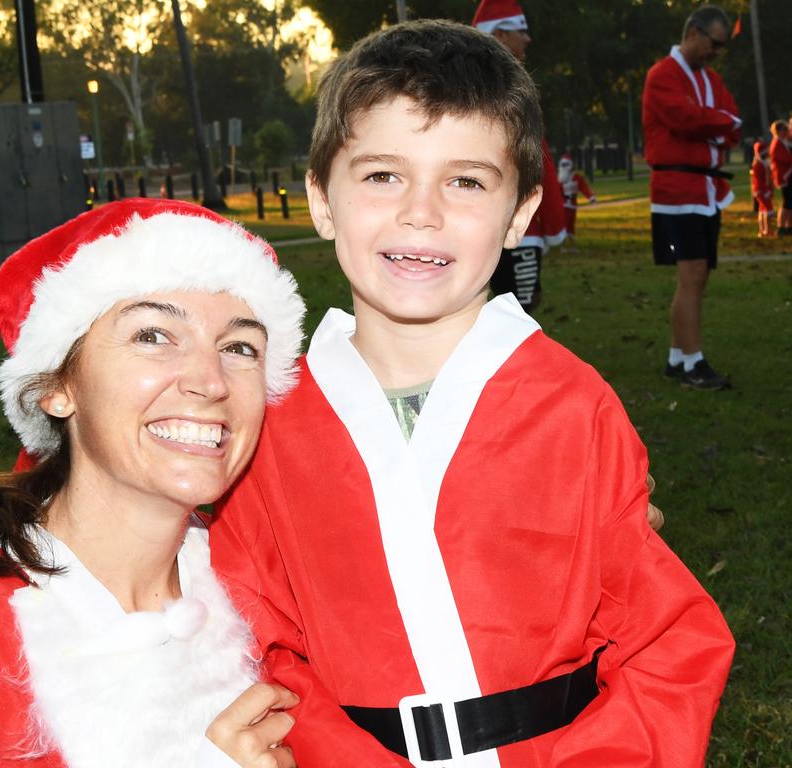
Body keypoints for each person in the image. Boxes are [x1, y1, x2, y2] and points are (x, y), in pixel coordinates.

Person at [211, 20, 735, 767]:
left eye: (464, 181)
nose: (420, 212)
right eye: (382, 174)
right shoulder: (267, 414)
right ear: (322, 199)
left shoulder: (571, 405)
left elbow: (666, 637)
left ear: (520, 212)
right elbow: (263, 642)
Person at [0, 199, 307, 768]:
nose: (210, 380)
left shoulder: (274, 599)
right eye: (153, 335)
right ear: (56, 387)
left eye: (240, 347)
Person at [643, 5, 741, 391]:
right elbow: (685, 120)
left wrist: (714, 121)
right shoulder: (661, 76)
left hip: (705, 191)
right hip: (677, 192)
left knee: (697, 278)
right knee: (692, 274)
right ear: (695, 33)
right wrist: (715, 122)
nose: (717, 51)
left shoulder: (710, 78)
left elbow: (731, 119)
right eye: (714, 43)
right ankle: (692, 363)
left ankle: (677, 357)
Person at [472, 0, 567, 311]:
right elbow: (539, 164)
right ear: (499, 35)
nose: (528, 38)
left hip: (471, 227)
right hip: (518, 229)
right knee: (518, 315)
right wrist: (554, 224)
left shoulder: (458, 90)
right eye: (520, 31)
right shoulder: (514, 91)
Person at [769, 119, 792, 236]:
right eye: (784, 129)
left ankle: (789, 225)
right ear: (777, 131)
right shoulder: (777, 143)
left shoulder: (785, 142)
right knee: (787, 202)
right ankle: (781, 226)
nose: (787, 131)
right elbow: (786, 159)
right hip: (785, 177)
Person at [557, 153, 597, 244]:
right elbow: (556, 192)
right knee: (564, 223)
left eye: (566, 164)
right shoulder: (559, 179)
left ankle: (571, 243)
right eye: (562, 165)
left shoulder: (577, 177)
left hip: (573, 205)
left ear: (571, 165)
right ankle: (563, 243)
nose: (564, 167)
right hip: (562, 205)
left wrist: (591, 197)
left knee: (571, 223)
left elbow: (584, 188)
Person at [750, 139, 774, 238]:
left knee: (762, 209)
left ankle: (762, 230)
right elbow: (759, 180)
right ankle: (767, 230)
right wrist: (765, 190)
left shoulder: (761, 163)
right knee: (768, 209)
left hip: (761, 190)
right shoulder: (759, 165)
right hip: (762, 190)